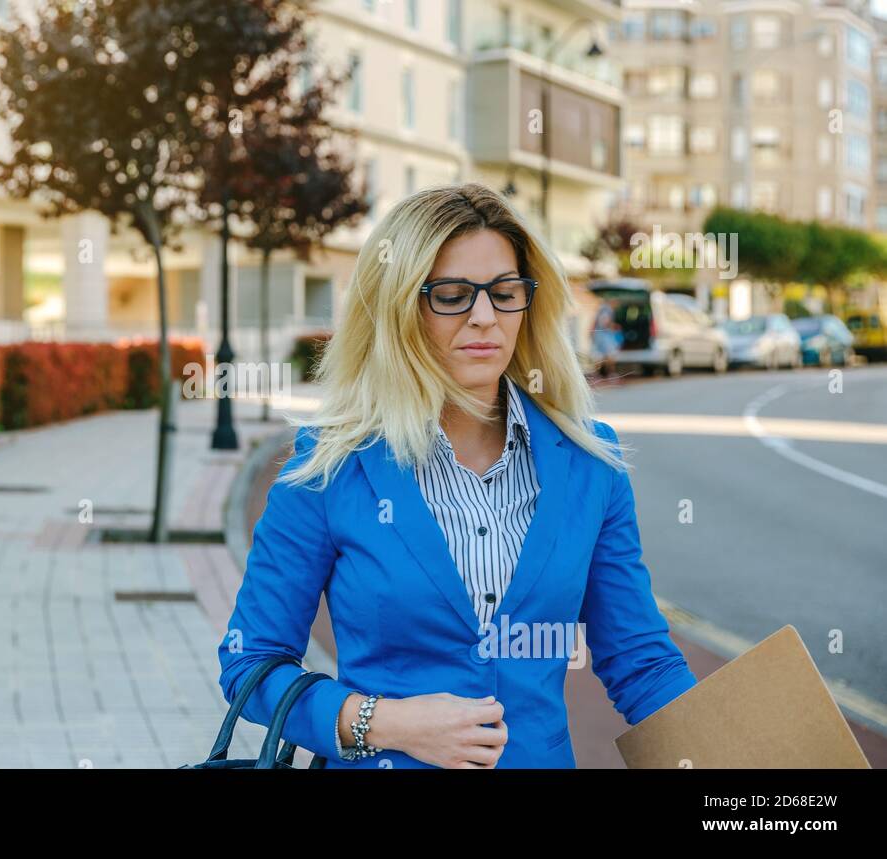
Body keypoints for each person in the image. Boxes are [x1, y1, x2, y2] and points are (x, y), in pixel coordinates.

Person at [217, 183, 697, 768]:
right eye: (451, 295)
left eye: (504, 291)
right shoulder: (329, 466)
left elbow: (641, 662)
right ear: (400, 307)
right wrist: (383, 722)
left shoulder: (590, 463)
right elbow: (251, 661)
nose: (484, 317)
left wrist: (744, 764)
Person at [590, 298, 623, 378]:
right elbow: (604, 322)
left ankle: (597, 374)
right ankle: (610, 373)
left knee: (599, 354)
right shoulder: (607, 310)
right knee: (610, 354)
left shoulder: (601, 309)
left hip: (599, 335)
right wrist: (615, 327)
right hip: (604, 335)